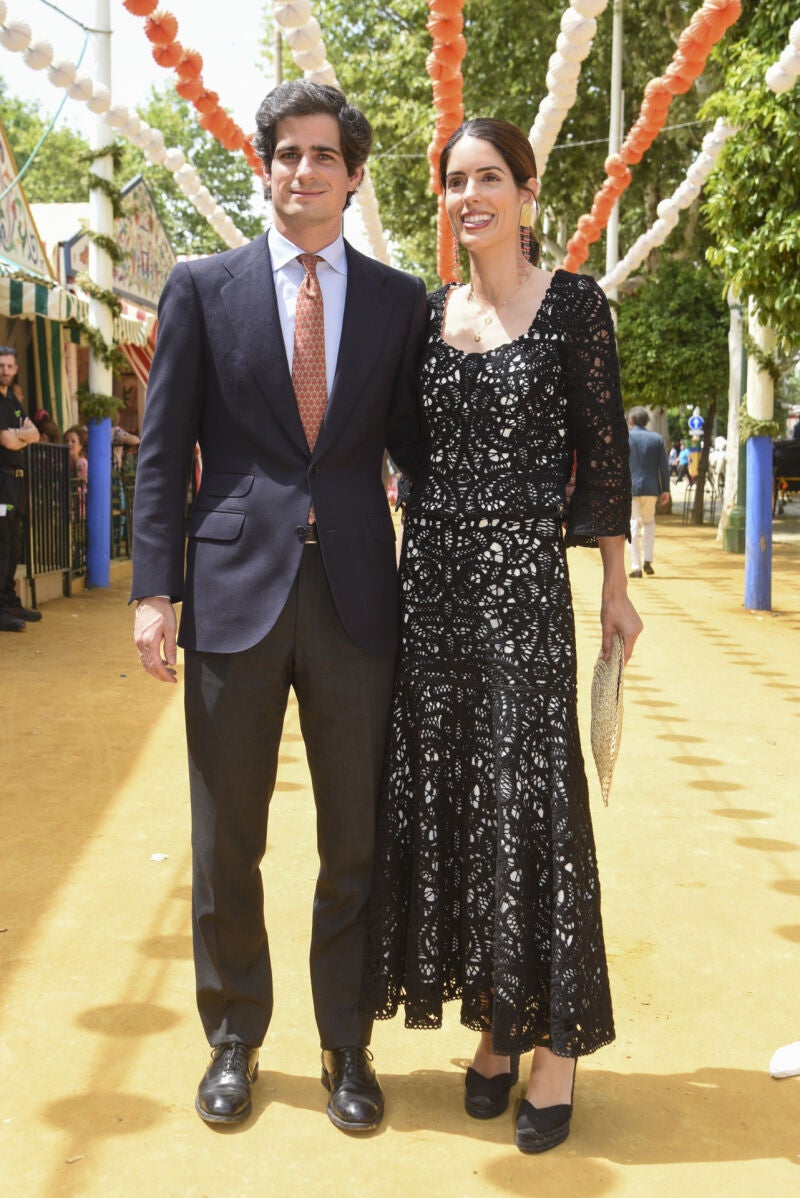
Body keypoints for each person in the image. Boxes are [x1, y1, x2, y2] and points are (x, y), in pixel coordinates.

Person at [131, 80, 426, 1133]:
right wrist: (154, 590)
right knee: (227, 839)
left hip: (356, 598)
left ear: (351, 176)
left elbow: (415, 449)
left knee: (355, 837)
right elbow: (163, 451)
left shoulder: (399, 303)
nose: (301, 170)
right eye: (285, 153)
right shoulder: (202, 289)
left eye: (321, 156)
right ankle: (232, 1037)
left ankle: (345, 1042)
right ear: (265, 166)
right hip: (227, 594)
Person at [361, 118, 642, 1155]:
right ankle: (493, 1025)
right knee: (459, 797)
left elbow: (603, 461)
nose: (467, 194)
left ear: (526, 192)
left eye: (487, 177)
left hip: (524, 588)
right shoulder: (427, 316)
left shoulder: (573, 308)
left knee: (529, 798)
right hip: (430, 587)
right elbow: (392, 439)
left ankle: (554, 1043)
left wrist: (614, 586)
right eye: (452, 180)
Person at [0, 346, 42, 631]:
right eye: (1, 365)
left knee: (14, 544)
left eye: (10, 366)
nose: (5, 370)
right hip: (1, 482)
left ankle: (9, 599)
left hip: (17, 481)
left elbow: (35, 433)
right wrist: (20, 435)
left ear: (16, 369)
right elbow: (8, 442)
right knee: (1, 542)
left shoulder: (13, 399)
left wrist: (22, 435)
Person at [626, 406, 670, 578]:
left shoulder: (626, 437)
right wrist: (665, 489)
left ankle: (635, 566)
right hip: (651, 488)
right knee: (649, 523)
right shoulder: (657, 438)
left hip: (630, 489)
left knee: (632, 525)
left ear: (631, 421)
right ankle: (648, 560)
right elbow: (664, 468)